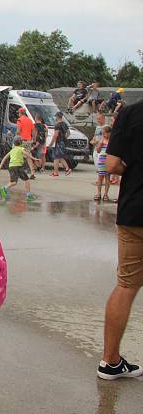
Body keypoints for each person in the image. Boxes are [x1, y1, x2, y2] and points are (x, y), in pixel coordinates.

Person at [98, 100, 143, 380]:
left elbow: (112, 164)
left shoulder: (130, 112)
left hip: (134, 211)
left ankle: (110, 361)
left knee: (126, 284)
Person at [0, 137, 37, 201]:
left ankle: (5, 188)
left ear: (14, 143)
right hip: (18, 167)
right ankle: (5, 188)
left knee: (14, 182)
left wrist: (0, 167)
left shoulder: (12, 150)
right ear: (21, 143)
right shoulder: (21, 148)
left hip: (11, 167)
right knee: (25, 180)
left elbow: (4, 158)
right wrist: (34, 158)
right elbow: (27, 153)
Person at [94, 126, 113, 202]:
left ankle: (106, 194)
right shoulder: (102, 140)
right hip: (102, 160)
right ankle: (98, 193)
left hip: (108, 160)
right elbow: (98, 150)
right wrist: (100, 144)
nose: (104, 135)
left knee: (107, 178)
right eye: (103, 134)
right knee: (100, 177)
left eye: (105, 134)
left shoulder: (112, 141)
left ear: (109, 133)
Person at [50, 112, 72, 177]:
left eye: (55, 116)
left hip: (58, 142)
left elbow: (55, 135)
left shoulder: (57, 125)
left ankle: (56, 172)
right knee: (60, 157)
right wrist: (65, 137)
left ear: (57, 116)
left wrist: (51, 143)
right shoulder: (65, 124)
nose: (55, 118)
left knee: (56, 157)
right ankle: (67, 169)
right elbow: (69, 133)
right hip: (63, 142)